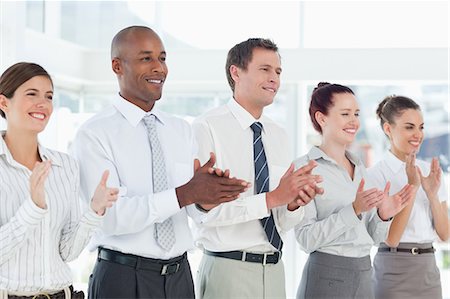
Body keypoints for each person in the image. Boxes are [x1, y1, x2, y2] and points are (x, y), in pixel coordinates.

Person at [71, 26, 250, 299]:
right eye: (146, 58)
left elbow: (190, 211)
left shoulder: (180, 129)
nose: (159, 68)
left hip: (180, 278)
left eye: (163, 58)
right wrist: (185, 194)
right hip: (123, 279)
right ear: (117, 66)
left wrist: (206, 198)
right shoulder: (94, 134)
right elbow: (111, 218)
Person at [192, 38, 323, 299]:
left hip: (274, 270)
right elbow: (203, 214)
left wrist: (293, 204)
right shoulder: (206, 127)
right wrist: (272, 198)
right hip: (227, 270)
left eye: (278, 72)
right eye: (265, 69)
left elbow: (281, 222)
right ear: (236, 72)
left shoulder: (279, 135)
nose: (274, 78)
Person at [0, 62, 118, 299]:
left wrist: (94, 211)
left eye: (49, 96)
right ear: (4, 102)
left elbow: (67, 252)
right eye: (31, 94)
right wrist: (33, 208)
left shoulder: (65, 166)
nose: (43, 104)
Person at [294, 83, 415, 299]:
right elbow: (305, 239)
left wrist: (382, 216)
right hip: (326, 275)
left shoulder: (359, 168)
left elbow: (372, 238)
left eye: (356, 114)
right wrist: (354, 209)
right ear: (322, 118)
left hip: (364, 274)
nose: (354, 121)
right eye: (345, 113)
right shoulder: (305, 168)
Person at [369, 95, 449, 298]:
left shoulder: (429, 172)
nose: (418, 134)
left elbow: (445, 233)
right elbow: (391, 239)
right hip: (393, 271)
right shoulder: (376, 175)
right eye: (409, 127)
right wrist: (412, 187)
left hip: (429, 270)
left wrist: (431, 194)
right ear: (388, 129)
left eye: (421, 127)